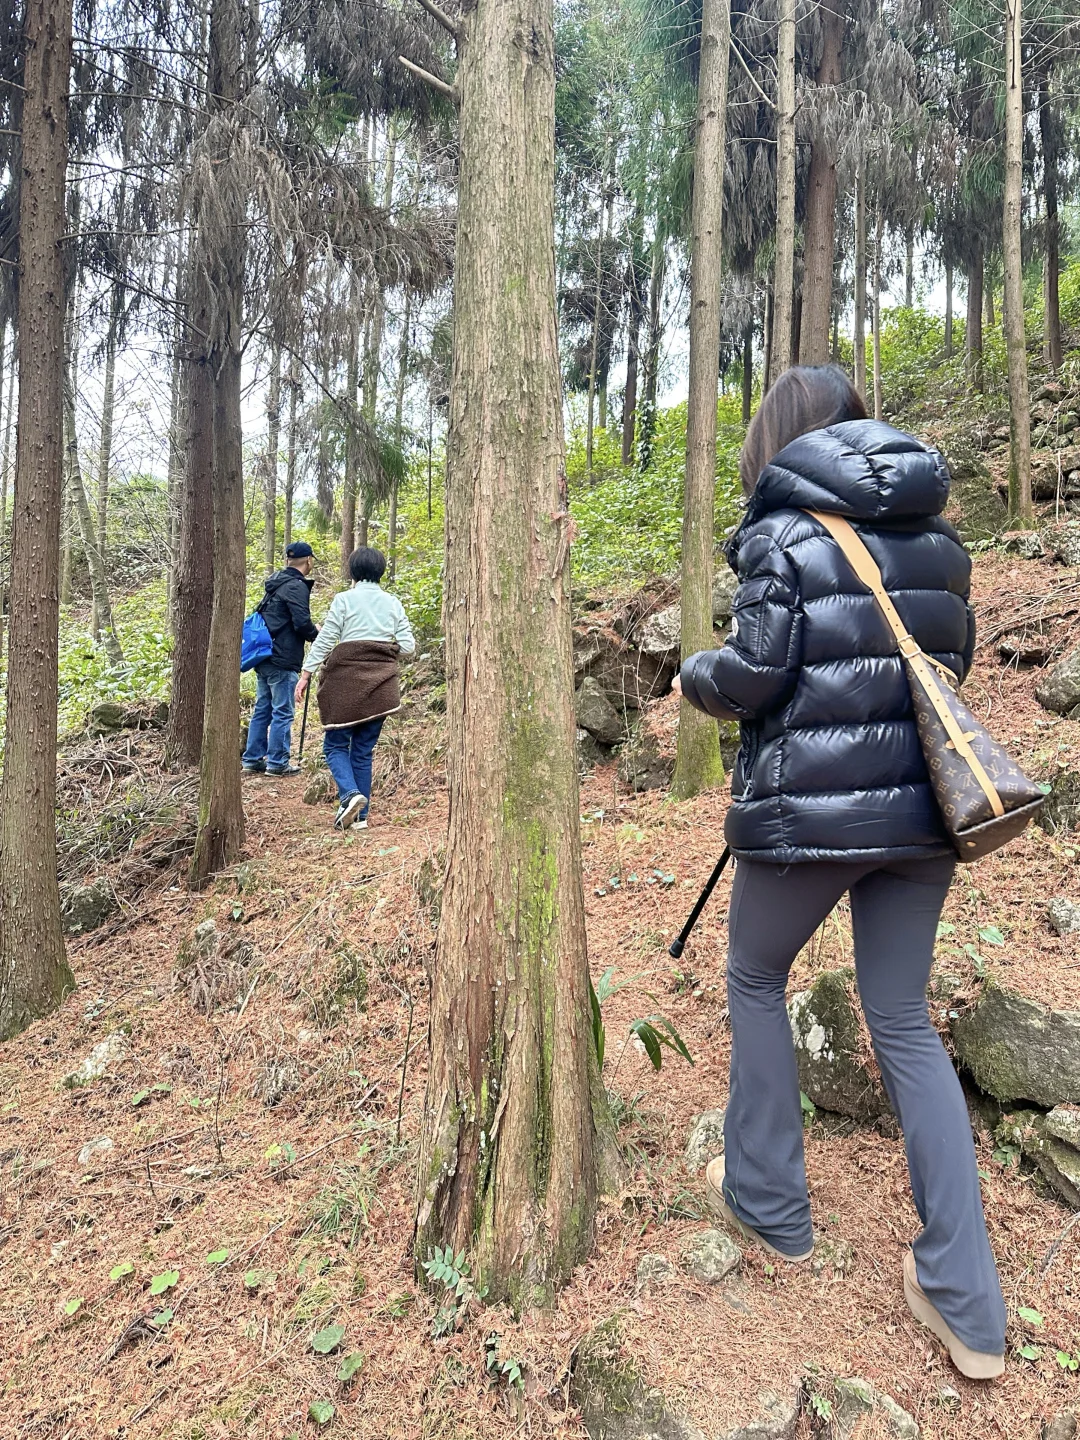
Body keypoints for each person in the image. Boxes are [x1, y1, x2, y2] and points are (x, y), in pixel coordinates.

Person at [674, 365, 1005, 1381]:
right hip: (923, 817)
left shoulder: (781, 533)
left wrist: (696, 674)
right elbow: (955, 660)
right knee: (901, 1017)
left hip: (809, 817)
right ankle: (969, 1304)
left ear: (779, 438)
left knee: (755, 978)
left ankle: (772, 1205)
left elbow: (758, 673)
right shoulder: (941, 540)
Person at [296, 545, 415, 830]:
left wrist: (306, 673)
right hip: (381, 689)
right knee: (363, 750)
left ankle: (349, 795)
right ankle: (360, 818)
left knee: (335, 745)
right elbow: (408, 647)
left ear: (352, 571)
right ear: (381, 572)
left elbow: (325, 640)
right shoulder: (393, 603)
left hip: (344, 687)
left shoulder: (344, 600)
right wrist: (382, 650)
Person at [242, 541, 319, 777]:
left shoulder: (275, 584)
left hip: (263, 655)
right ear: (308, 561)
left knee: (263, 709)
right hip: (283, 658)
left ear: (287, 560)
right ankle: (277, 762)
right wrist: (318, 635)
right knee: (282, 711)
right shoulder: (296, 586)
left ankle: (253, 759)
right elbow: (301, 623)